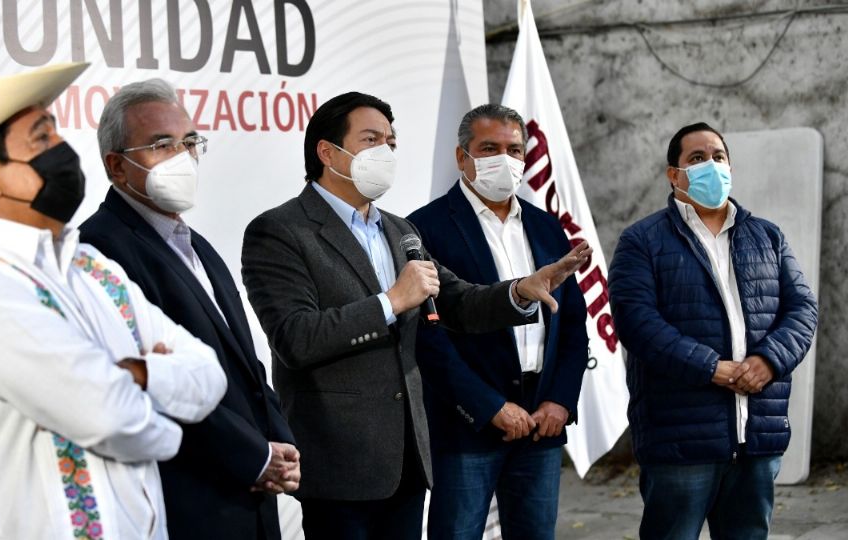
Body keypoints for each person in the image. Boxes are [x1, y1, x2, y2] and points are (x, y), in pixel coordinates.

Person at [0, 63, 228, 540]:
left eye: (55, 134)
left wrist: (135, 373)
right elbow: (109, 415)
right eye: (41, 140)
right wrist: (164, 419)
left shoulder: (91, 267)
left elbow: (208, 374)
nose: (62, 151)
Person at [240, 91, 591, 540]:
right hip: (342, 461)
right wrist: (391, 301)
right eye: (371, 139)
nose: (385, 151)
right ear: (327, 152)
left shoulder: (397, 229)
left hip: (408, 459)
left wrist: (519, 291)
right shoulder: (280, 230)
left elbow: (458, 301)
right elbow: (296, 337)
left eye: (391, 140)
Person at [80, 79, 298, 540]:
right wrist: (252, 457)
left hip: (253, 493)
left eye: (190, 142)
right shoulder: (98, 249)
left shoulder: (196, 244)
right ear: (117, 167)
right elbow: (149, 382)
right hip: (189, 498)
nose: (183, 157)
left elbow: (245, 362)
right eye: (162, 145)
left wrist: (278, 441)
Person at [607, 122, 818, 539]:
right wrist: (712, 368)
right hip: (680, 439)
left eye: (718, 157)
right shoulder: (642, 241)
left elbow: (803, 309)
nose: (711, 166)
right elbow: (638, 323)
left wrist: (767, 361)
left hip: (757, 433)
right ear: (674, 174)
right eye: (697, 159)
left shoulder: (767, 237)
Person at [406, 104, 588, 540]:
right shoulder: (424, 227)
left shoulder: (546, 226)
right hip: (468, 425)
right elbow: (428, 338)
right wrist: (489, 408)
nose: (504, 159)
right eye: (489, 148)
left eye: (514, 149)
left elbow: (574, 323)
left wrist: (560, 400)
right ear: (461, 157)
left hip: (543, 419)